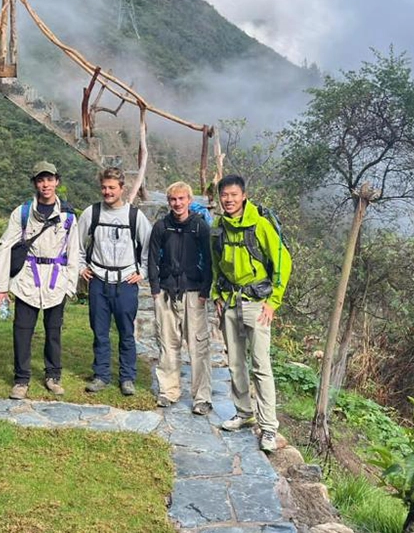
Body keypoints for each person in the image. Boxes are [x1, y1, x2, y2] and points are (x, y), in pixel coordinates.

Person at [211, 174, 292, 452]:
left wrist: (274, 301)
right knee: (235, 362)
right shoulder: (219, 226)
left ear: (244, 195)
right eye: (225, 195)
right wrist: (217, 295)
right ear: (220, 197)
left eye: (234, 195)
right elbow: (215, 263)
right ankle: (244, 413)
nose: (229, 200)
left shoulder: (260, 224)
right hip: (230, 300)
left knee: (260, 365)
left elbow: (283, 261)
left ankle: (269, 427)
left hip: (257, 303)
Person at [0, 161, 80, 400]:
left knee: (53, 331)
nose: (46, 184)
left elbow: (74, 252)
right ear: (35, 183)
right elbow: (5, 248)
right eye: (41, 180)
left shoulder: (68, 217)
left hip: (56, 281)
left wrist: (70, 286)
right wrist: (1, 286)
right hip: (27, 279)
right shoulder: (21, 213)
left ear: (57, 182)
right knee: (22, 330)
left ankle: (53, 375)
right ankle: (21, 379)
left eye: (50, 179)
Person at [77, 167, 152, 396]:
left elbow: (149, 245)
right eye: (104, 187)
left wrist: (144, 272)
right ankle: (101, 375)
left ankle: (127, 378)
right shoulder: (92, 213)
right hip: (99, 280)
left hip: (126, 282)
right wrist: (81, 267)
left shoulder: (134, 216)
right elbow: (77, 245)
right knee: (100, 332)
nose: (107, 192)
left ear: (121, 188)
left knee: (126, 332)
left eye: (112, 187)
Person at [147, 181, 213, 414]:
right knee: (167, 342)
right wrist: (154, 288)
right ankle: (169, 390)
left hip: (194, 292)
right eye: (173, 199)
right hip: (166, 290)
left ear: (190, 200)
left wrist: (206, 290)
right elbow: (152, 258)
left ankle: (201, 397)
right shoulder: (161, 227)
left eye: (181, 199)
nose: (177, 203)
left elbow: (209, 259)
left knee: (197, 345)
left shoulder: (199, 227)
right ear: (169, 202)